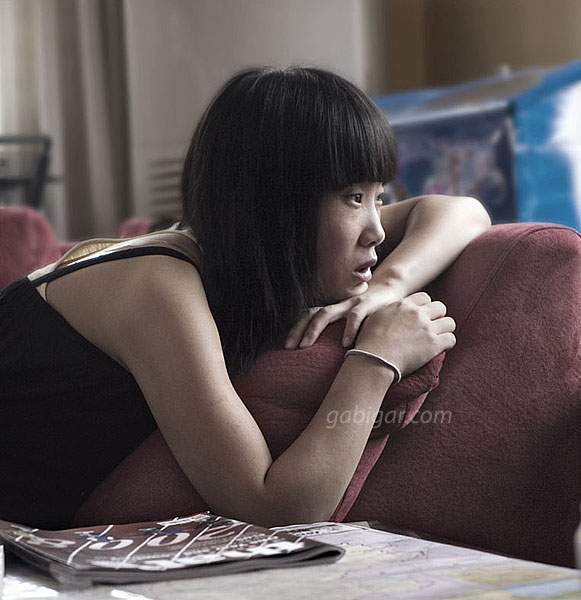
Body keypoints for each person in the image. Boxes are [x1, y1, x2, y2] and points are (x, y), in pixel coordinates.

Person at [0, 66, 490, 529]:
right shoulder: (158, 286)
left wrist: (386, 287)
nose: (377, 231)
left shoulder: (225, 260)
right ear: (277, 205)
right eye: (352, 198)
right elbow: (270, 508)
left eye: (378, 196)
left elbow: (462, 212)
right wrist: (376, 360)